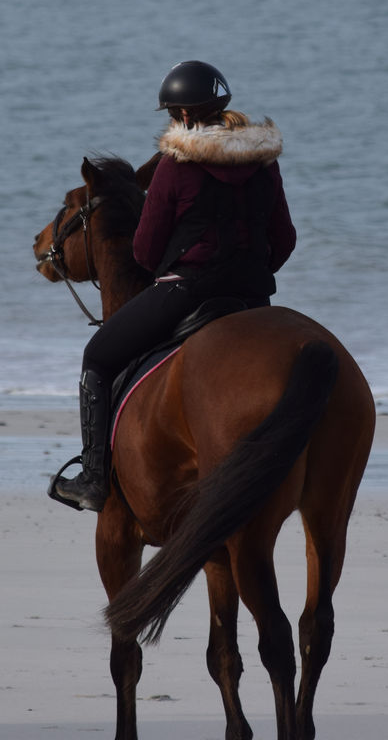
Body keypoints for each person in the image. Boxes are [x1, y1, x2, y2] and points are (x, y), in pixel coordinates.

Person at [48, 60, 297, 512]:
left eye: (170, 114)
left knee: (98, 357)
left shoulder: (176, 164)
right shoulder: (263, 161)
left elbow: (144, 250)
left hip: (191, 289)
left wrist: (172, 269)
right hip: (256, 296)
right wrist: (253, 273)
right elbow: (285, 240)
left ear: (182, 116)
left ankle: (93, 477)